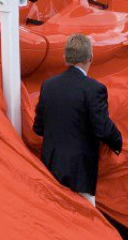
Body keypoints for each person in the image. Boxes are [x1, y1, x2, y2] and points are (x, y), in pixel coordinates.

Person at [32, 34, 123, 206]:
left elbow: (38, 128)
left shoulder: (48, 85)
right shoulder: (94, 89)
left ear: (65, 58)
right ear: (90, 58)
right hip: (80, 172)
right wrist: (118, 143)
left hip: (51, 169)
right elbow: (102, 129)